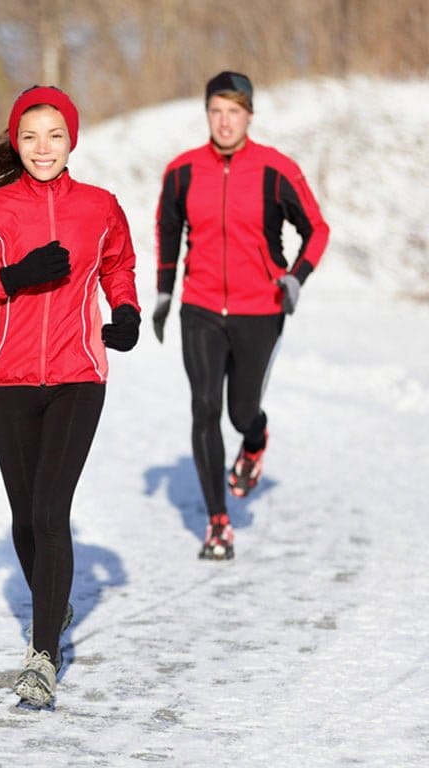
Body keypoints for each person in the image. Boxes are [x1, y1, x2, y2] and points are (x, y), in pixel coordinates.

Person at [0, 85, 140, 708]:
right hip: (6, 382)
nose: (42, 147)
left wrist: (126, 312)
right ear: (15, 143)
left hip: (80, 375)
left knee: (51, 513)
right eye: (29, 136)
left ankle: (43, 654)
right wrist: (14, 277)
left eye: (54, 135)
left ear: (71, 139)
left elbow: (118, 265)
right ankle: (57, 603)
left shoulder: (101, 206)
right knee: (26, 518)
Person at [152, 71, 330, 561]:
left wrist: (296, 277)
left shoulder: (276, 170)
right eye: (216, 111)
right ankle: (218, 522)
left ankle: (254, 440)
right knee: (205, 408)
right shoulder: (183, 171)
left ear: (249, 115)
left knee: (240, 412)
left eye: (234, 111)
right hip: (202, 307)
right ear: (206, 114)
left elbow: (316, 229)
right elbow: (168, 231)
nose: (224, 121)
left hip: (260, 309)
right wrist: (166, 294)